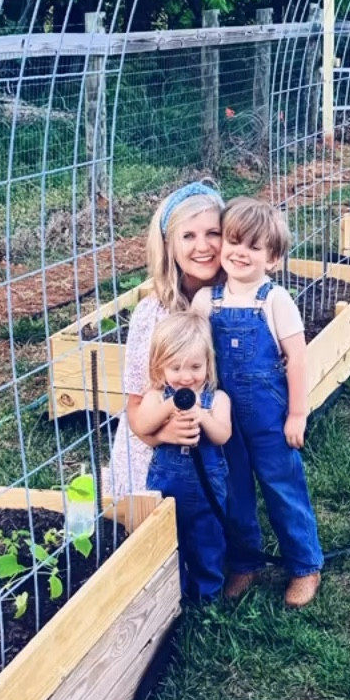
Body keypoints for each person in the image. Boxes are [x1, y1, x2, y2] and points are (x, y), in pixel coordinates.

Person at [192, 197, 324, 608]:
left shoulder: (274, 300)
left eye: (253, 246)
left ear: (273, 258)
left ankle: (304, 565)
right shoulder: (205, 301)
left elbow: (297, 358)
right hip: (222, 417)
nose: (240, 252)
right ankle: (245, 562)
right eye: (233, 241)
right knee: (234, 492)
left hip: (269, 416)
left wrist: (297, 413)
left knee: (282, 486)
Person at [107, 181, 225, 503]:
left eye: (212, 233)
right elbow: (134, 404)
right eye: (188, 236)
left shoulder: (241, 303)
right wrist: (161, 434)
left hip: (219, 442)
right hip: (157, 454)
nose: (203, 246)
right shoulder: (152, 314)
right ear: (168, 246)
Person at [133, 312, 231, 603]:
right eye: (175, 368)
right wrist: (170, 407)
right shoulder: (156, 396)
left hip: (208, 485)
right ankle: (172, 594)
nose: (186, 376)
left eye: (195, 366)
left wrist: (202, 415)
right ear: (160, 369)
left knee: (207, 538)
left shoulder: (218, 399)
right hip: (167, 481)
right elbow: (143, 425)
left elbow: (222, 435)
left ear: (208, 364)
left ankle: (207, 597)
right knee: (167, 537)